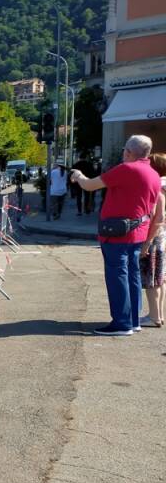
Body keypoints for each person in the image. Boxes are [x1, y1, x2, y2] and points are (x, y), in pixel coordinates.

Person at [71, 135, 162, 336]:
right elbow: (154, 210)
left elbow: (89, 185)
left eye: (124, 150)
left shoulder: (126, 169)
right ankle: (133, 320)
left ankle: (122, 323)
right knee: (132, 275)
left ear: (128, 152)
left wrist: (77, 175)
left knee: (117, 276)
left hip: (118, 234)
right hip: (138, 233)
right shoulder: (153, 174)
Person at [140, 153, 166, 327]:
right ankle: (159, 315)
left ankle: (154, 317)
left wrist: (147, 243)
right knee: (160, 278)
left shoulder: (158, 188)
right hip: (162, 236)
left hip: (155, 237)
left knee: (152, 279)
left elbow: (158, 217)